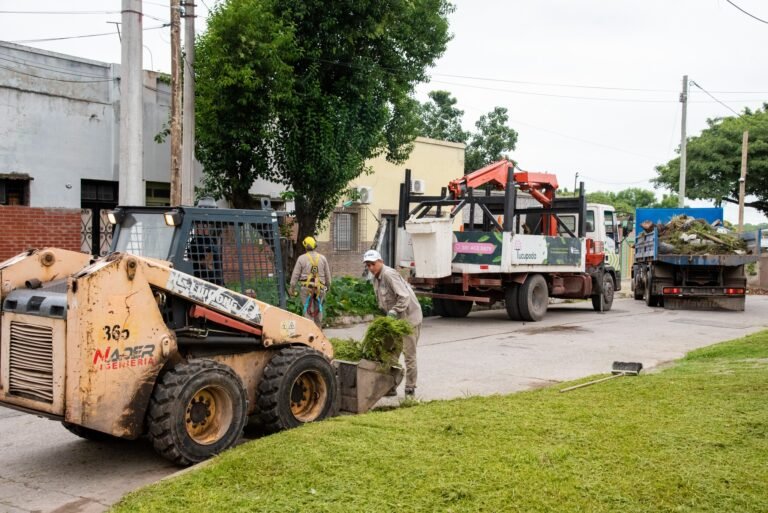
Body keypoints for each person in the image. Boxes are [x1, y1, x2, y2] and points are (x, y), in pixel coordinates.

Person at [362, 249, 422, 397]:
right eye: (368, 265)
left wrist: (394, 311)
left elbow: (404, 297)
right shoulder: (376, 278)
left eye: (373, 264)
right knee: (390, 353)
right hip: (394, 320)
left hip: (408, 319)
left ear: (380, 262)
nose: (370, 268)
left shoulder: (388, 274)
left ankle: (410, 387)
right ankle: (390, 386)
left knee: (409, 354)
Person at [289, 236, 332, 327]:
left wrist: (292, 288)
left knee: (307, 311)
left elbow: (295, 275)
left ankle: (310, 332)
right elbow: (328, 276)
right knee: (318, 310)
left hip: (306, 289)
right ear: (315, 246)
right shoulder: (323, 258)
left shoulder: (301, 258)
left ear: (305, 246)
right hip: (320, 288)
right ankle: (318, 331)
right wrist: (328, 287)